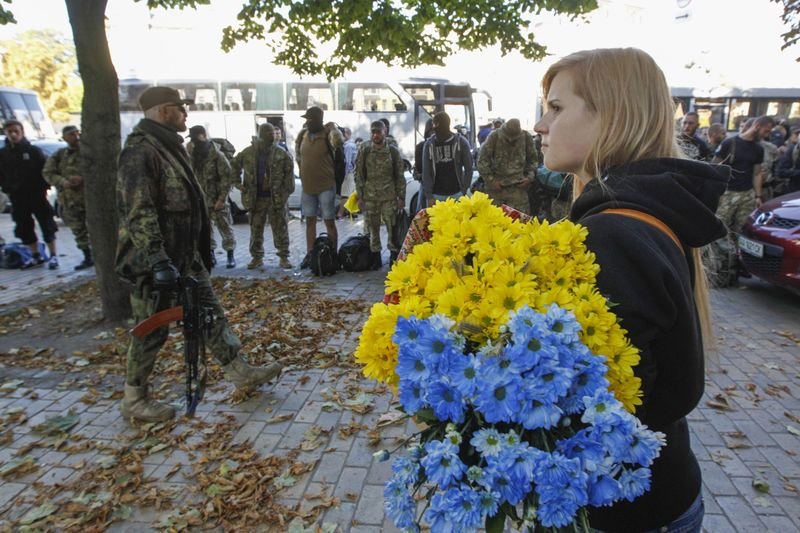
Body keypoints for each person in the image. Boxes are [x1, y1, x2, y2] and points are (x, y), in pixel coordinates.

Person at [534, 47, 728, 533]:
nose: (540, 125)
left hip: (622, 508)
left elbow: (606, 404)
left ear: (612, 117)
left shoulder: (612, 233)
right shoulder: (644, 211)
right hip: (660, 492)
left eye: (556, 108)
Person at [116, 86, 282, 422]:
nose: (186, 113)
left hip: (184, 257)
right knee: (152, 328)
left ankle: (239, 371)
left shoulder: (169, 146)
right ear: (164, 110)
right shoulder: (140, 151)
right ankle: (134, 398)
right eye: (180, 108)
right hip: (155, 262)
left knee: (210, 314)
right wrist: (158, 259)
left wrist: (199, 250)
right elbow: (139, 211)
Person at [710, 115, 774, 286]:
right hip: (727, 194)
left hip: (746, 195)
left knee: (740, 234)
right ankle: (720, 270)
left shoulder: (758, 149)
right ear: (757, 126)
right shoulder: (730, 143)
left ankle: (735, 270)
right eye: (766, 131)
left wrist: (758, 196)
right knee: (721, 231)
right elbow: (715, 167)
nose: (767, 134)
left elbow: (757, 173)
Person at [232, 123, 294, 270]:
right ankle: (257, 257)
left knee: (280, 228)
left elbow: (289, 176)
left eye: (272, 133)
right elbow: (234, 166)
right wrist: (238, 184)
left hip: (276, 199)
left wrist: (285, 193)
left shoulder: (281, 154)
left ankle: (283, 257)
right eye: (268, 134)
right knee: (256, 229)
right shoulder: (248, 153)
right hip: (256, 199)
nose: (271, 136)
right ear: (261, 135)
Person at [0, 119, 58, 269]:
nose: (13, 134)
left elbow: (45, 171)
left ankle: (53, 255)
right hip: (17, 196)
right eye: (10, 132)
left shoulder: (33, 151)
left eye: (16, 131)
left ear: (22, 132)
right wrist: (7, 187)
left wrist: (44, 187)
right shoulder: (3, 154)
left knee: (47, 224)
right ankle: (35, 255)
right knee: (23, 226)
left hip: (36, 194)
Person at [295, 106, 343, 268]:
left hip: (326, 186)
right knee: (310, 221)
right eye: (306, 119)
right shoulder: (302, 135)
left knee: (329, 221)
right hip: (308, 187)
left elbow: (339, 143)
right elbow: (298, 157)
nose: (307, 122)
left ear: (319, 120)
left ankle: (333, 255)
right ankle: (310, 255)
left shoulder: (328, 135)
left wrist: (334, 129)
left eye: (310, 119)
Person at [355, 120, 405, 269]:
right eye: (373, 132)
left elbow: (399, 175)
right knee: (372, 228)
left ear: (385, 132)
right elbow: (359, 174)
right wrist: (360, 196)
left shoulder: (392, 151)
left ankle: (393, 256)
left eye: (379, 132)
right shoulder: (365, 149)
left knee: (392, 227)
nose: (375, 135)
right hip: (370, 196)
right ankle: (375, 257)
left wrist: (401, 197)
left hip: (389, 196)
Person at [43, 125, 93, 270]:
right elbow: (48, 172)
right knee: (78, 230)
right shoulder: (59, 155)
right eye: (71, 134)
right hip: (71, 200)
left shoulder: (89, 153)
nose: (76, 137)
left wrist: (84, 178)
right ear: (64, 137)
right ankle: (87, 256)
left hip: (91, 199)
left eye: (77, 133)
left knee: (98, 229)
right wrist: (63, 182)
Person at [187, 125, 237, 269]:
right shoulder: (193, 155)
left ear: (203, 135)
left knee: (225, 228)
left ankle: (230, 255)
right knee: (206, 230)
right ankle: (211, 255)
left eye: (195, 138)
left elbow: (226, 178)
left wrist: (221, 199)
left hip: (217, 200)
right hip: (201, 201)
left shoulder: (217, 155)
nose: (193, 142)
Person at [477, 118, 538, 213]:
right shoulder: (494, 136)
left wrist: (529, 178)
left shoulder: (526, 137)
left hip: (518, 188)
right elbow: (482, 160)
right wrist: (490, 180)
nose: (510, 140)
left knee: (519, 219)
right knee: (493, 218)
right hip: (496, 187)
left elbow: (533, 160)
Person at [421, 111, 473, 206]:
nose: (433, 127)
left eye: (435, 124)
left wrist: (464, 189)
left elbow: (469, 167)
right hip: (436, 195)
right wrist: (429, 196)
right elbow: (426, 172)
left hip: (457, 193)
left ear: (440, 124)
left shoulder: (461, 142)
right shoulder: (429, 145)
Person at [336, 126, 358, 219]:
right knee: (352, 192)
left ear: (347, 134)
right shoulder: (353, 145)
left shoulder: (348, 146)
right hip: (353, 172)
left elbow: (347, 162)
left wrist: (344, 174)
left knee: (345, 194)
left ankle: (340, 214)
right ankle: (353, 212)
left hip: (349, 173)